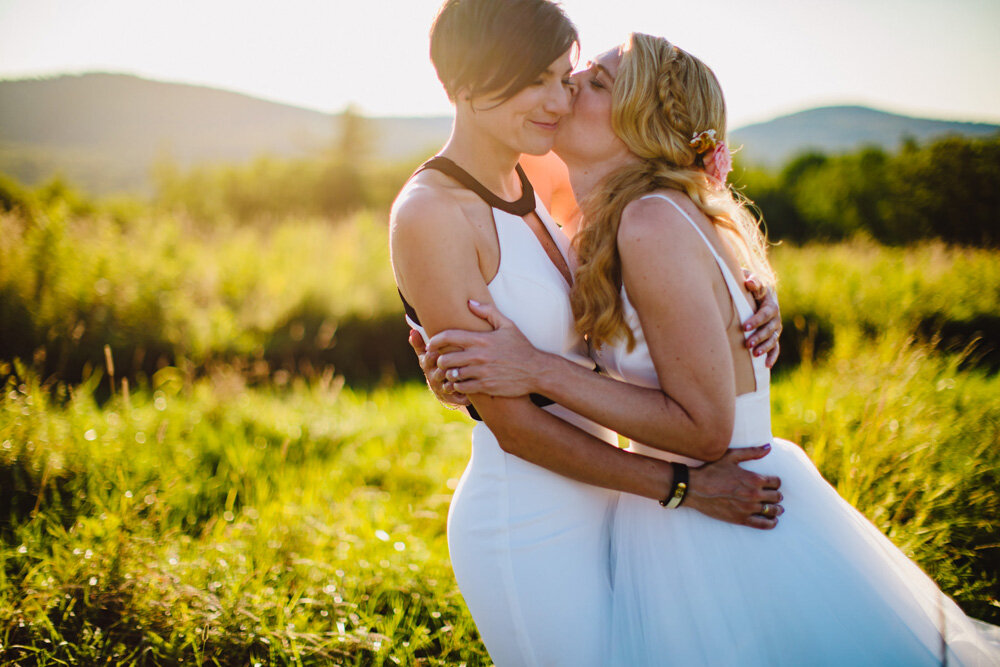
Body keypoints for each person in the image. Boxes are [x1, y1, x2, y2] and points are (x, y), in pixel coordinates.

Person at [423, 33, 1000, 665]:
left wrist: (535, 369)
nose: (569, 90)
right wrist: (467, 372)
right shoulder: (629, 217)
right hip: (684, 503)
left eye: (596, 82)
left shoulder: (649, 221)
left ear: (639, 123)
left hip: (715, 509)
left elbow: (702, 429)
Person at [389, 2, 785, 665]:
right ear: (463, 80)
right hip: (531, 519)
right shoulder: (432, 213)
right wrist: (679, 485)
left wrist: (751, 290)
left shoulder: (540, 173)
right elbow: (512, 424)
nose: (560, 97)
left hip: (618, 501)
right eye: (536, 79)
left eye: (566, 76)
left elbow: (665, 190)